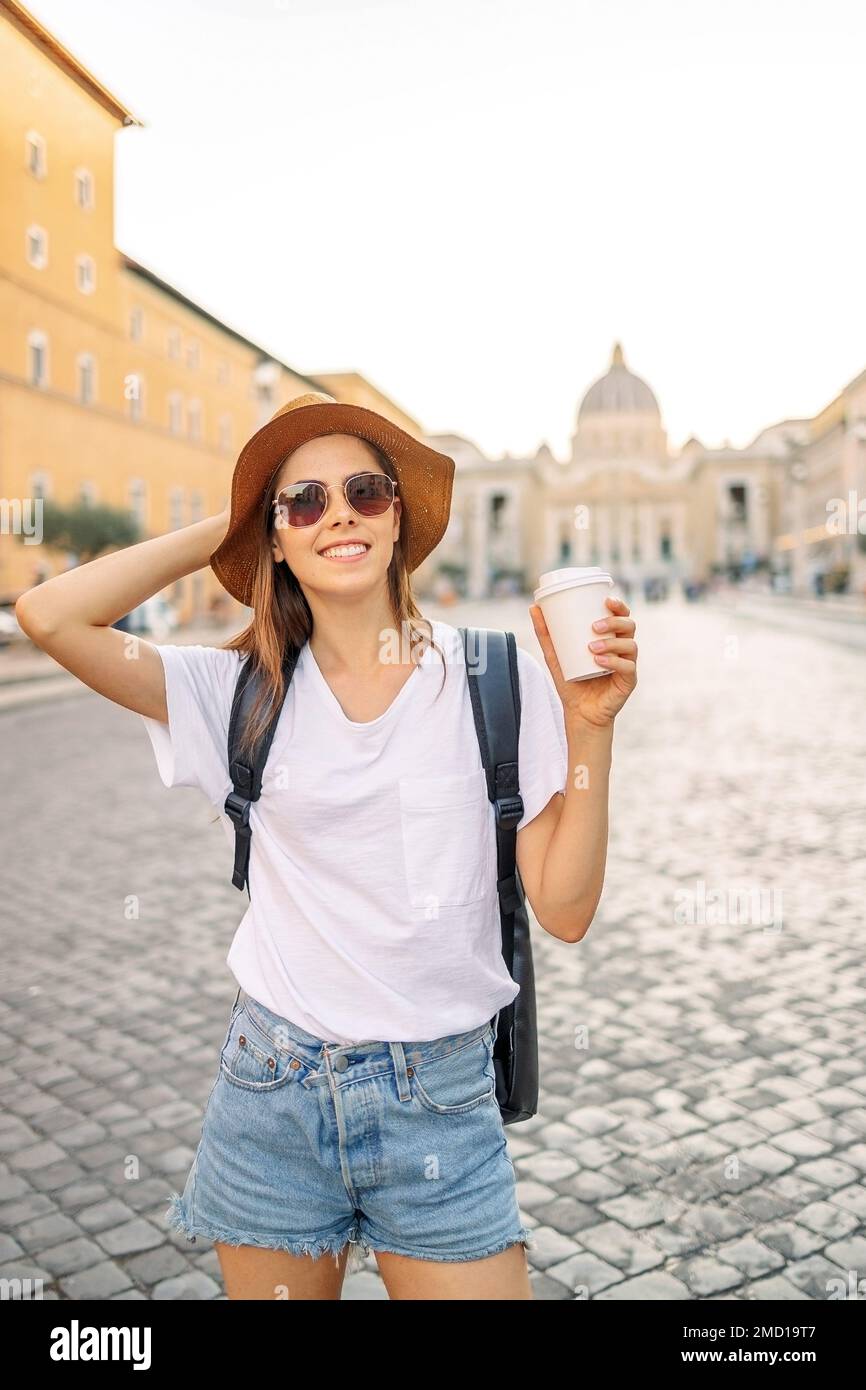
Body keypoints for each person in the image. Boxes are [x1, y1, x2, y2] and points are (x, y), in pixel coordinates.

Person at [15, 391, 638, 1300]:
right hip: (272, 1096)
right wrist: (229, 526)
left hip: (443, 1107)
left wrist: (591, 729)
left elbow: (567, 910)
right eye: (301, 502)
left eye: (364, 491)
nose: (336, 512)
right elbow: (49, 616)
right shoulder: (235, 690)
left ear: (398, 518)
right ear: (274, 538)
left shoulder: (494, 677)